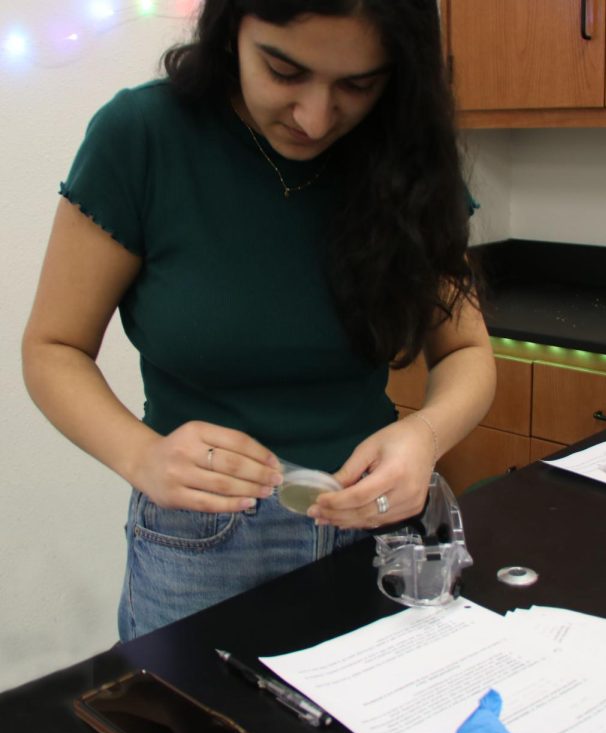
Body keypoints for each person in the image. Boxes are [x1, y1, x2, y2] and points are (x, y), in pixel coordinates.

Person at [21, 0, 496, 641]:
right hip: (202, 543)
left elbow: (467, 352)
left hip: (378, 530)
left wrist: (427, 437)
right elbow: (53, 347)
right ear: (231, 31)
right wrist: (142, 456)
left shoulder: (404, 152)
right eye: (283, 70)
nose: (315, 117)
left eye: (357, 85)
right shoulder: (142, 136)